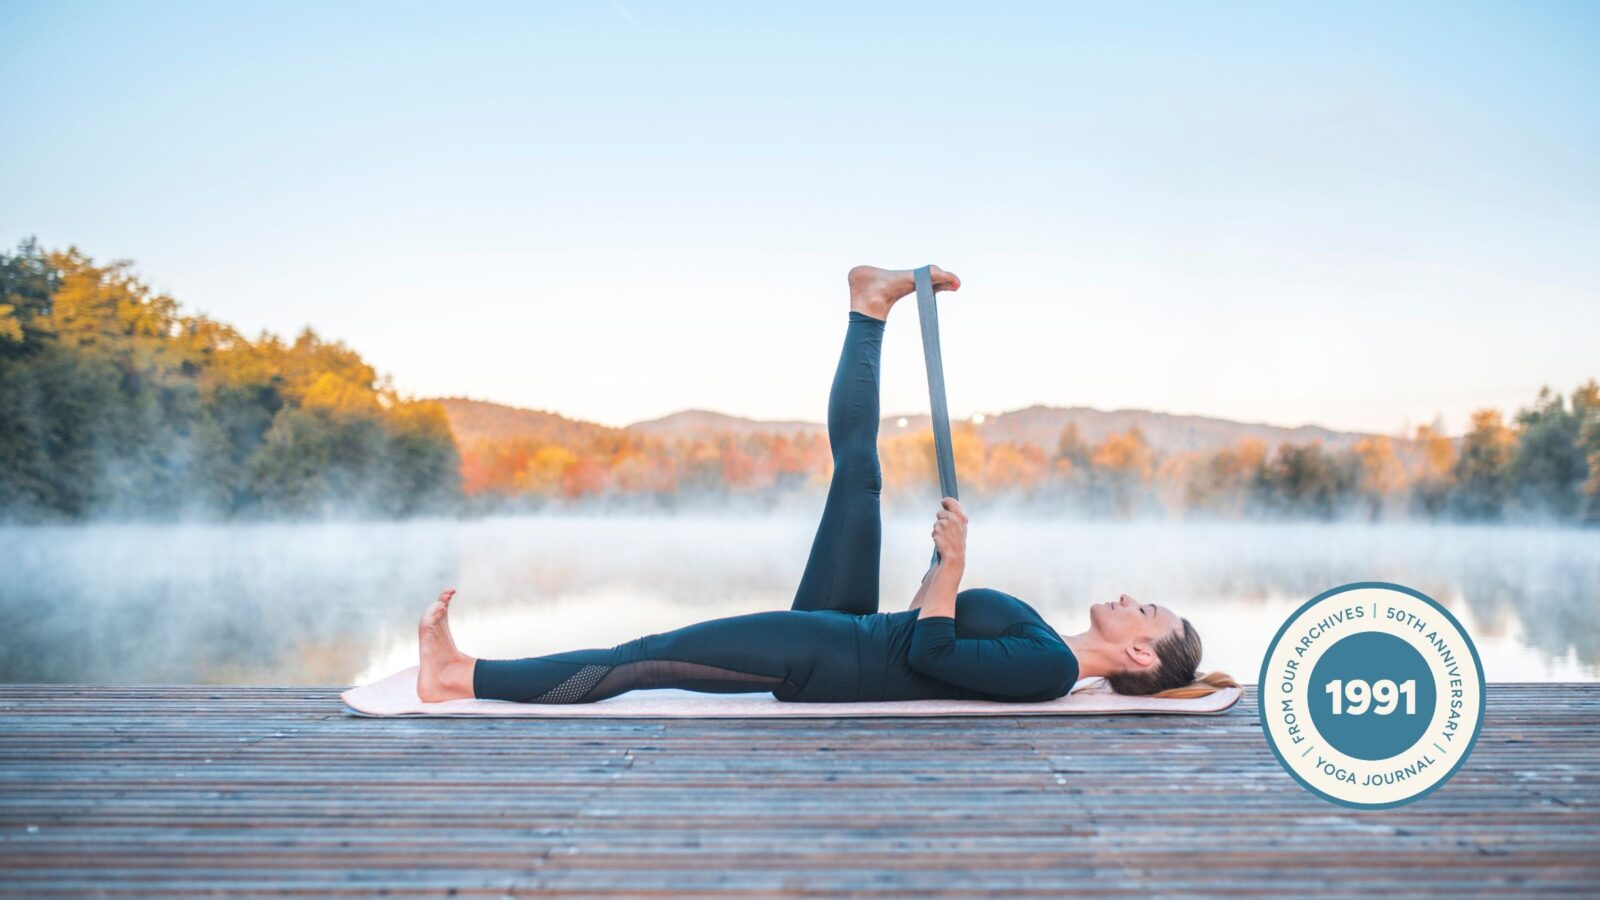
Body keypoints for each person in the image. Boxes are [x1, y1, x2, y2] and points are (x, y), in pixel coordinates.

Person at [415, 264, 1239, 705]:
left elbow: (932, 650)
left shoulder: (1053, 673)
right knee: (859, 478)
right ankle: (869, 306)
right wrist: (933, 575)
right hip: (852, 629)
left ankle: (461, 677)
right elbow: (924, 634)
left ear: (1138, 652)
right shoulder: (1047, 649)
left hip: (825, 659)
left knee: (643, 659)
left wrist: (952, 568)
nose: (1135, 598)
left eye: (1148, 610)